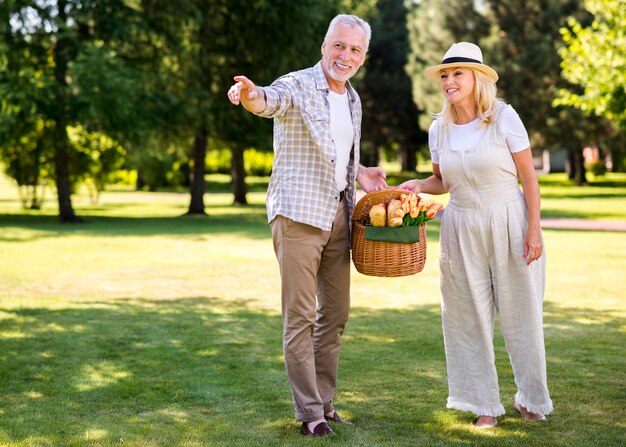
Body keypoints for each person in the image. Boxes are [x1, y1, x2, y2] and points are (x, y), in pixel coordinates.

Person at [227, 14, 387, 437]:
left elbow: (337, 152)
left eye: (354, 50)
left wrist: (361, 172)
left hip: (339, 215)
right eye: (339, 46)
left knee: (334, 314)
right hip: (297, 214)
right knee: (300, 315)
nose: (345, 56)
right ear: (324, 46)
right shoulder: (297, 84)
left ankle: (326, 402)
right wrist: (250, 94)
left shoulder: (352, 99)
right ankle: (310, 413)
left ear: (363, 57)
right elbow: (269, 100)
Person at [399, 42, 553, 428]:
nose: (449, 81)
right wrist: (418, 185)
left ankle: (531, 398)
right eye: (445, 75)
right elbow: (441, 180)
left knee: (523, 315)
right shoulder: (439, 128)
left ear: (477, 78)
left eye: (458, 74)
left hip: (509, 220)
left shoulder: (503, 118)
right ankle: (484, 404)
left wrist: (534, 230)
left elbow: (529, 178)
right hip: (460, 226)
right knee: (466, 317)